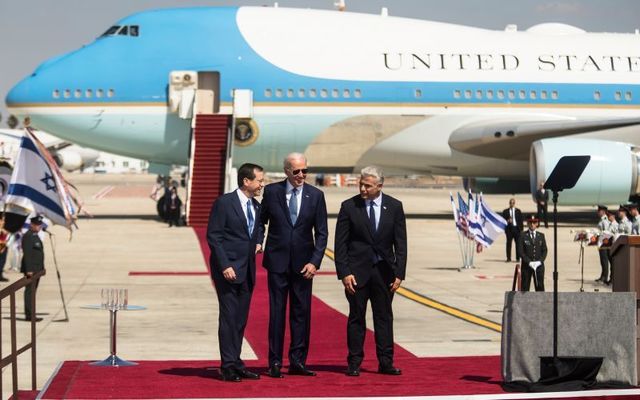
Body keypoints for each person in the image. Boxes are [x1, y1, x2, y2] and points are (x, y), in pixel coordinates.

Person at [334, 166, 407, 377]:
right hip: (357, 273)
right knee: (356, 317)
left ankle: (386, 362)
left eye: (367, 185)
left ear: (379, 186)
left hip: (384, 273)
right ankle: (354, 362)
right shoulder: (349, 207)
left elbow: (400, 243)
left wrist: (399, 273)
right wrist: (344, 272)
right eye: (361, 184)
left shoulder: (394, 207)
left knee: (384, 318)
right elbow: (341, 244)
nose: (363, 188)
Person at [261, 153, 328, 378]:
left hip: (304, 265)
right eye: (297, 171)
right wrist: (259, 242)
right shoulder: (271, 192)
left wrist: (315, 261)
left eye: (305, 171)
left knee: (301, 314)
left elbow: (322, 233)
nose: (301, 175)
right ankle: (275, 362)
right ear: (286, 171)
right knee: (277, 314)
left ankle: (298, 361)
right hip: (277, 263)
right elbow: (261, 222)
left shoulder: (316, 195)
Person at [206, 163, 265, 382]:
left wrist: (259, 241)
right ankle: (227, 365)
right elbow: (214, 236)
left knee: (240, 319)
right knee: (229, 318)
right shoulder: (224, 203)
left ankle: (237, 362)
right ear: (246, 181)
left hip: (248, 269)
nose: (262, 184)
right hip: (228, 271)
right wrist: (225, 265)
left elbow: (259, 228)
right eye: (259, 180)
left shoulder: (256, 206)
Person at [22, 215, 46, 322]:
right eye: (37, 225)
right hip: (31, 270)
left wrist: (42, 268)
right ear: (31, 225)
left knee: (33, 291)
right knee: (29, 292)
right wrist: (29, 270)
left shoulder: (35, 236)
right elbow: (27, 254)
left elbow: (38, 253)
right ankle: (29, 315)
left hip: (37, 270)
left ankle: (31, 313)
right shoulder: (28, 236)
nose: (39, 227)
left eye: (40, 225)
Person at [517, 216, 547, 291]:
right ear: (527, 223)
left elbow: (544, 250)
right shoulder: (523, 235)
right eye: (530, 222)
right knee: (525, 287)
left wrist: (540, 261)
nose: (532, 224)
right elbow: (520, 251)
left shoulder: (541, 236)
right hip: (527, 266)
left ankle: (540, 302)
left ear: (537, 223)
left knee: (540, 286)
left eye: (534, 222)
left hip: (538, 266)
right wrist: (529, 262)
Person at [595, 205, 611, 283]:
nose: (598, 212)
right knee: (602, 260)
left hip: (604, 244)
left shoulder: (605, 220)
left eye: (599, 211)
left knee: (604, 260)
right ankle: (603, 276)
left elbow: (607, 232)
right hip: (601, 242)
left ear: (603, 212)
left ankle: (605, 277)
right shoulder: (602, 220)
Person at [0, 216, 9, 282]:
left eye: (4, 220)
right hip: (1, 246)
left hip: (4, 247)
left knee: (2, 262)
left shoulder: (5, 229)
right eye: (1, 220)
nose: (3, 222)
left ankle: (0, 275)